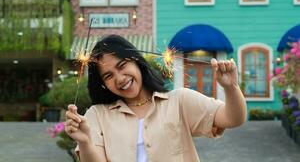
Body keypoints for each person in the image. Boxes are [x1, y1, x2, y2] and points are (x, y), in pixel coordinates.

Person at [65, 34, 247, 162]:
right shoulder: (96, 115)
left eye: (122, 66)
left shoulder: (179, 101)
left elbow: (233, 119)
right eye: (108, 76)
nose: (120, 79)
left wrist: (231, 87)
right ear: (103, 83)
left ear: (136, 61)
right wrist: (85, 141)